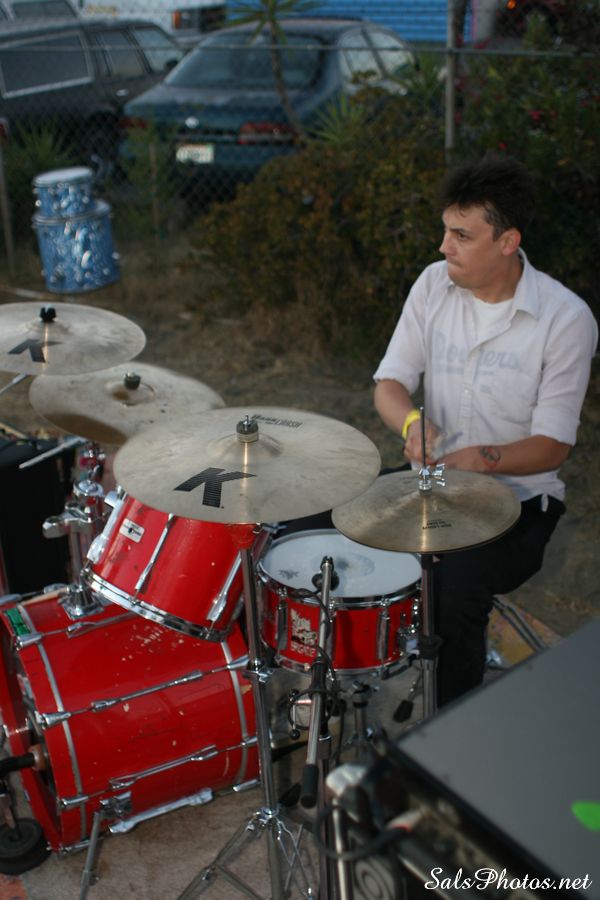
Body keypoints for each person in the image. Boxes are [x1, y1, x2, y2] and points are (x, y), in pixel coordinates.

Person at [373, 154, 598, 707]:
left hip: (521, 504)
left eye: (461, 236)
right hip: (432, 483)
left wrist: (481, 459)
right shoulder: (433, 285)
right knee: (321, 523)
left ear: (507, 241)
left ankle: (449, 727)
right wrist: (411, 421)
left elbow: (553, 446)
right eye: (445, 231)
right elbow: (389, 384)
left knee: (452, 585)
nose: (443, 247)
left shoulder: (566, 319)